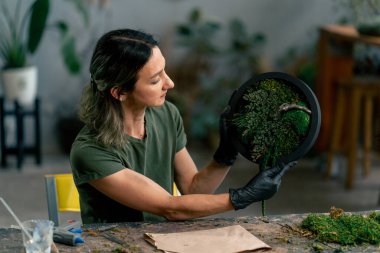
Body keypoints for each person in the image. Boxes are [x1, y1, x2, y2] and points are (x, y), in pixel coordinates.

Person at [70, 28, 296, 224]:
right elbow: (171, 208)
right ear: (119, 92)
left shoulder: (166, 114)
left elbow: (192, 189)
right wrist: (243, 197)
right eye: (155, 79)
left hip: (165, 240)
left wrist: (226, 154)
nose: (170, 83)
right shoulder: (90, 151)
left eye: (164, 71)